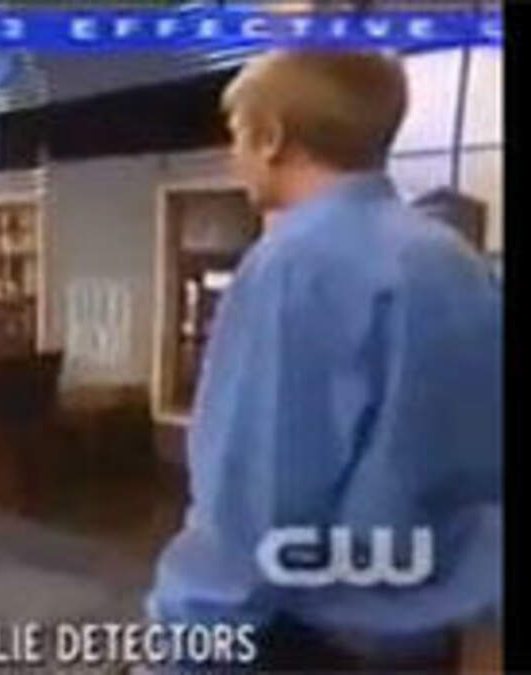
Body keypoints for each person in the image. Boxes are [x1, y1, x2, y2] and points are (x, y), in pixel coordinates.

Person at [145, 51, 502, 672]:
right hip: (434, 640)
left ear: (272, 137)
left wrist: (186, 643)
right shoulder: (456, 260)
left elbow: (254, 499)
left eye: (237, 135)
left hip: (307, 643)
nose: (233, 157)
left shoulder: (291, 266)